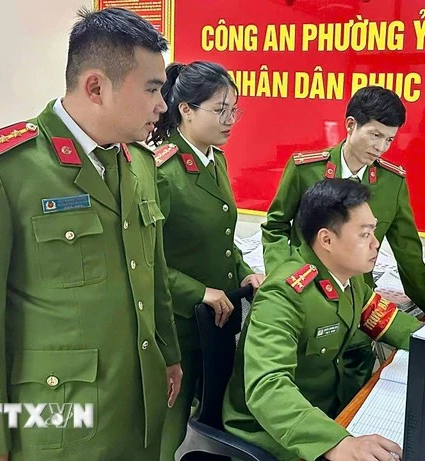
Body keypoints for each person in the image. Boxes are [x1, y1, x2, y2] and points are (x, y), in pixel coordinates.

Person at [0, 8, 182, 461]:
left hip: (139, 411)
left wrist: (168, 353)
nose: (162, 105)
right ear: (95, 87)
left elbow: (153, 272)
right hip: (56, 423)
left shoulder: (139, 165)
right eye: (151, 89)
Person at [261, 85, 425, 399]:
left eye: (389, 139)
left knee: (355, 401)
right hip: (307, 309)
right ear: (351, 125)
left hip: (358, 310)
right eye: (375, 135)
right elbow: (275, 228)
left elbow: (408, 253)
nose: (382, 148)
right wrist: (289, 284)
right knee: (305, 393)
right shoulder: (307, 169)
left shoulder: (392, 182)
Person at [223, 179, 422, 461]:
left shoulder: (348, 280)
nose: (376, 244)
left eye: (373, 232)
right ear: (326, 239)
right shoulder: (284, 294)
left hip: (329, 409)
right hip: (278, 429)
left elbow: (390, 323)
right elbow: (268, 387)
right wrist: (335, 443)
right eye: (364, 235)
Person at [148, 61, 265, 460]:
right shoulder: (160, 170)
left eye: (235, 109)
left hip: (214, 319)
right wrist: (197, 291)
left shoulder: (215, 159)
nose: (231, 119)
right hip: (177, 322)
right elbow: (145, 258)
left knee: (207, 412)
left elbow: (220, 238)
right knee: (168, 425)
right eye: (221, 110)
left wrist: (247, 274)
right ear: (186, 110)